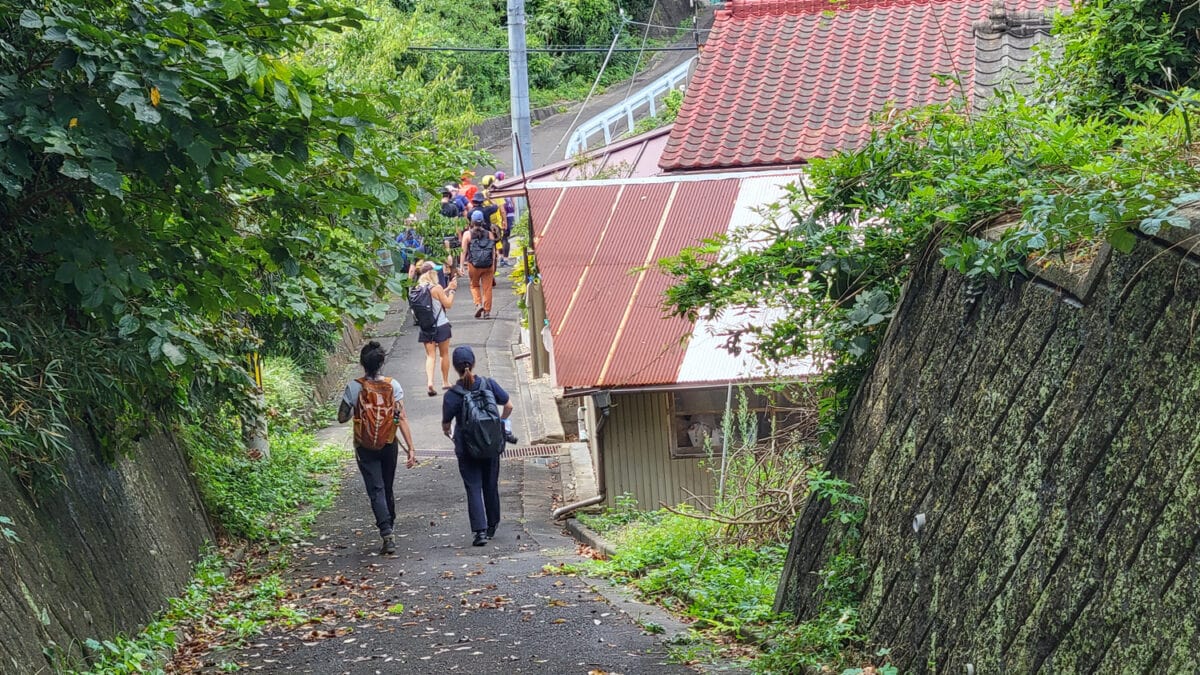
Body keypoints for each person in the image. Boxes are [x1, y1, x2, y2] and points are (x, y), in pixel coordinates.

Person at [338, 341, 417, 555]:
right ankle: (390, 523)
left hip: (364, 446)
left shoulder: (354, 387)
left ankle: (386, 532)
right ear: (381, 362)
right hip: (389, 442)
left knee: (376, 489)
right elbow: (402, 418)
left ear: (362, 363)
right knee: (387, 485)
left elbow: (341, 418)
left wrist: (358, 410)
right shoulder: (393, 385)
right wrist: (411, 448)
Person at [441, 346, 513, 546]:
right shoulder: (488, 384)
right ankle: (492, 525)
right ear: (473, 363)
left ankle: (479, 533)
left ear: (455, 368)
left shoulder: (452, 395)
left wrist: (450, 432)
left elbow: (446, 425)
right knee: (490, 484)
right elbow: (509, 405)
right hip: (490, 444)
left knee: (473, 487)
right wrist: (499, 424)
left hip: (467, 447)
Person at [414, 261, 459, 396]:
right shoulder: (437, 287)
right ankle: (445, 382)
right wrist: (452, 291)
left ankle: (430, 382)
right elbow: (448, 304)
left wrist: (446, 289)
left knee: (430, 356)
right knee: (444, 354)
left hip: (426, 326)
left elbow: (432, 299)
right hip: (441, 325)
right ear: (431, 273)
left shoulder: (418, 288)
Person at [461, 210, 497, 319]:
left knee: (474, 285)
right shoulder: (489, 234)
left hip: (474, 265)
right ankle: (487, 312)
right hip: (488, 265)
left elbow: (463, 251)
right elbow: (493, 252)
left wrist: (461, 266)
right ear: (483, 221)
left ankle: (478, 304)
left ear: (471, 221)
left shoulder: (467, 234)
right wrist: (493, 265)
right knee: (487, 288)